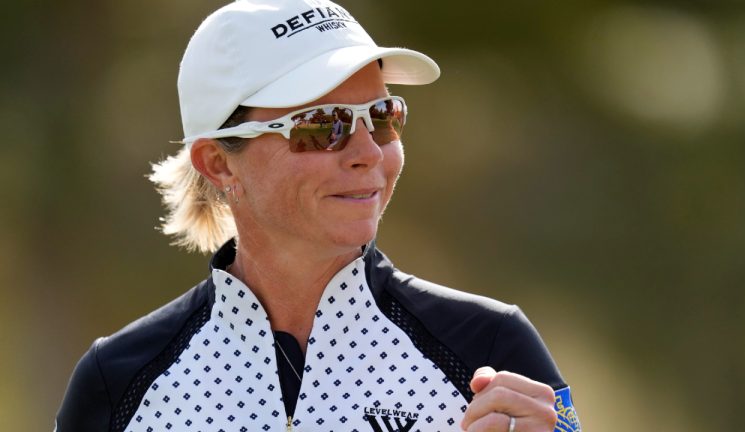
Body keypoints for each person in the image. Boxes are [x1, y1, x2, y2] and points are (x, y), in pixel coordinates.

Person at [55, 1, 581, 431]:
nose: (368, 153)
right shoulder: (117, 383)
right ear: (217, 163)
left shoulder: (490, 349)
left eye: (383, 117)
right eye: (321, 124)